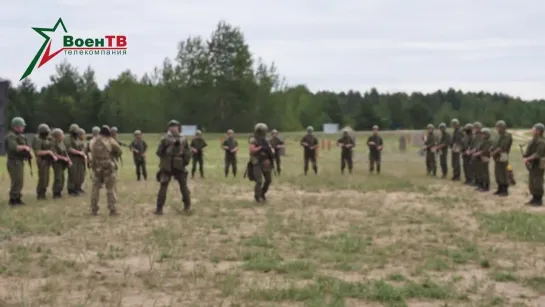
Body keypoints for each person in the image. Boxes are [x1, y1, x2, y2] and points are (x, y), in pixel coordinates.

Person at [155, 120, 192, 215]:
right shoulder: (183, 138)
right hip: (178, 165)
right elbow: (188, 153)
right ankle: (187, 207)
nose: (173, 128)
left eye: (173, 126)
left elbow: (159, 152)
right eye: (173, 126)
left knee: (164, 186)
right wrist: (184, 161)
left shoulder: (164, 138)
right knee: (183, 186)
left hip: (167, 165)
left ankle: (159, 209)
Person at [89, 125, 122, 216]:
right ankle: (112, 209)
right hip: (108, 167)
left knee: (95, 188)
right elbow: (119, 150)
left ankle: (93, 209)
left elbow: (90, 151)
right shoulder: (110, 140)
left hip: (97, 167)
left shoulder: (94, 140)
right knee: (110, 189)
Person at [5, 117, 32, 206]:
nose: (23, 128)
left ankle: (17, 197)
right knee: (16, 180)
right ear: (16, 126)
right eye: (21, 126)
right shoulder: (11, 136)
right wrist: (24, 147)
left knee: (20, 180)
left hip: (19, 161)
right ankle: (13, 199)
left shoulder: (20, 136)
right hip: (13, 162)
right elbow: (14, 147)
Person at [248, 123, 274, 202]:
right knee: (259, 180)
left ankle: (262, 193)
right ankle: (257, 196)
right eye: (261, 131)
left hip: (265, 161)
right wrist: (261, 148)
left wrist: (270, 151)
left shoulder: (266, 140)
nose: (262, 133)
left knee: (268, 180)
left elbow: (271, 150)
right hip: (256, 161)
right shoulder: (253, 140)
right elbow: (252, 150)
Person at [522, 123, 545, 206]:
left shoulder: (542, 142)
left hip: (538, 164)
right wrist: (525, 156)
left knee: (537, 181)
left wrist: (528, 158)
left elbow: (538, 154)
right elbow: (529, 150)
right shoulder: (533, 140)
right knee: (532, 182)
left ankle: (538, 200)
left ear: (538, 131)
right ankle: (534, 198)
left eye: (533, 129)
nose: (532, 130)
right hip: (532, 164)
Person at [32, 123, 56, 200]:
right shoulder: (38, 139)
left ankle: (43, 192)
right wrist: (48, 152)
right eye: (46, 131)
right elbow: (37, 152)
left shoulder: (46, 138)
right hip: (42, 161)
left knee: (46, 179)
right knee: (43, 178)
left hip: (47, 161)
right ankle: (40, 194)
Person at [491, 120, 512, 196]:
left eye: (498, 127)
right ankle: (499, 188)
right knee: (498, 172)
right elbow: (494, 144)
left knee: (503, 172)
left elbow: (502, 147)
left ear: (502, 127)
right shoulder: (497, 135)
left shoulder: (507, 135)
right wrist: (492, 150)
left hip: (503, 155)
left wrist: (494, 152)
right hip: (496, 156)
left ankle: (505, 190)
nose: (497, 128)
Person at [65, 123, 86, 196]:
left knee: (80, 174)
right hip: (72, 158)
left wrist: (83, 153)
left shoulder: (77, 138)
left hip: (79, 159)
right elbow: (69, 149)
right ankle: (71, 189)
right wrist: (79, 152)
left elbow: (81, 146)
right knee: (72, 174)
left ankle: (78, 188)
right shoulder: (68, 139)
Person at [51, 128, 72, 198]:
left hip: (62, 163)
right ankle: (56, 192)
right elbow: (53, 154)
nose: (63, 136)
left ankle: (59, 191)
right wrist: (63, 158)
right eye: (62, 135)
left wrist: (69, 160)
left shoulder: (61, 143)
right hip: (57, 163)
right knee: (58, 178)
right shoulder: (53, 143)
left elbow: (65, 152)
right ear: (57, 136)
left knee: (62, 178)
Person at [470, 122, 483, 187]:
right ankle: (476, 180)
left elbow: (479, 145)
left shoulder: (481, 136)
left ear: (478, 128)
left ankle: (479, 181)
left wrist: (474, 150)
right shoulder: (475, 136)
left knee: (479, 168)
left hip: (478, 154)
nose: (473, 129)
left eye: (474, 128)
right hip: (474, 153)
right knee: (474, 167)